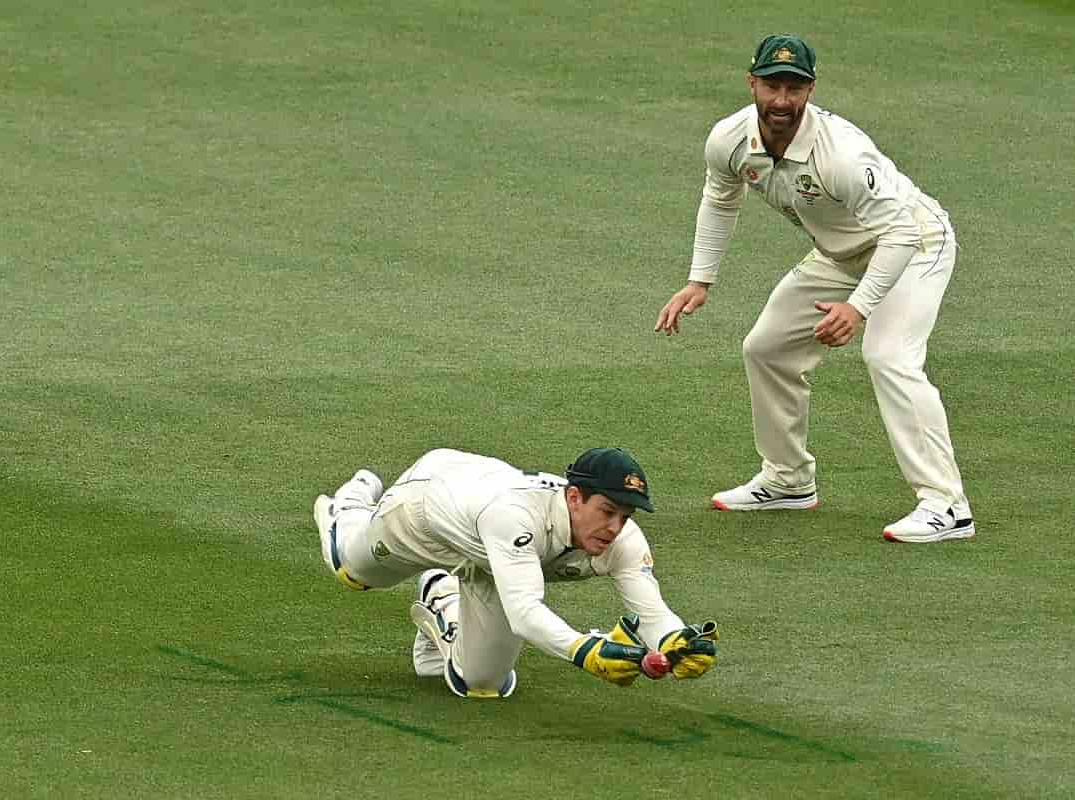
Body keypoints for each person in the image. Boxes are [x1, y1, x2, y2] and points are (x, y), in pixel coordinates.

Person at [654, 34, 974, 544]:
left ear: (811, 90)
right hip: (839, 254)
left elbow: (899, 233)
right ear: (752, 83)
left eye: (795, 88)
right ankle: (787, 480)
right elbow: (720, 198)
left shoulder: (842, 154)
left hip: (915, 245)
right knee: (768, 349)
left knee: (889, 356)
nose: (782, 100)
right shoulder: (729, 140)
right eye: (772, 86)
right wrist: (700, 279)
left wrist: (860, 308)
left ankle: (946, 506)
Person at [311, 446, 718, 698]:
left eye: (625, 516)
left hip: (494, 554)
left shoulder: (623, 538)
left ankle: (443, 599)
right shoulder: (515, 517)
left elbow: (652, 611)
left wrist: (675, 641)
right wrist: (586, 651)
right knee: (352, 570)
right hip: (426, 510)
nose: (615, 528)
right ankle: (348, 506)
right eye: (607, 512)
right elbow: (524, 611)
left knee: (482, 683)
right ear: (574, 498)